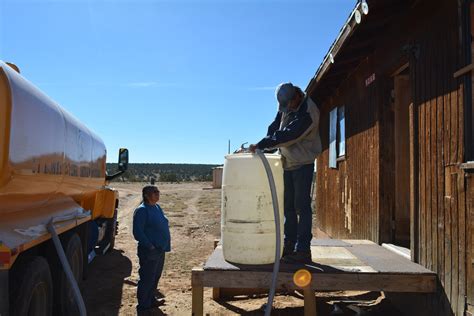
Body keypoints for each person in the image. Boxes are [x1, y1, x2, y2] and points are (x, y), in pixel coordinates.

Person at [250, 82, 321, 263]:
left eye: (288, 104)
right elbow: (275, 126)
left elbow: (290, 135)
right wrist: (264, 144)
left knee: (301, 207)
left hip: (303, 164)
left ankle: (303, 249)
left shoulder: (308, 113)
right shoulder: (287, 105)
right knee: (287, 207)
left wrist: (264, 145)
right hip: (287, 163)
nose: (285, 109)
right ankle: (289, 245)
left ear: (296, 97)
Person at [133, 185, 171, 314]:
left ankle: (151, 300)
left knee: (155, 277)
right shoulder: (142, 210)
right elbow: (137, 232)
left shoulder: (156, 207)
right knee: (147, 277)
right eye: (154, 192)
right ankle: (143, 305)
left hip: (160, 249)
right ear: (147, 195)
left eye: (158, 191)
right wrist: (150, 245)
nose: (157, 194)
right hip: (149, 251)